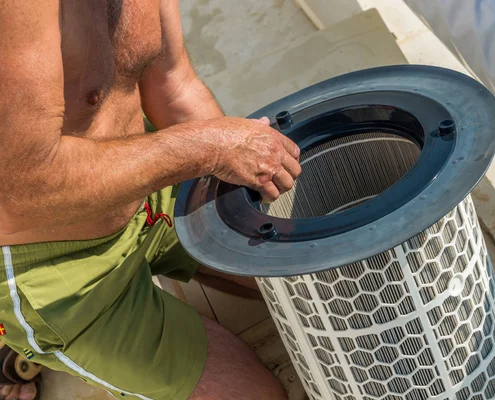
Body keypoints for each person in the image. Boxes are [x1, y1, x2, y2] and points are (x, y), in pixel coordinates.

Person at [0, 1, 302, 399]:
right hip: (48, 260)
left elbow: (174, 85)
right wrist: (211, 149)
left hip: (147, 186)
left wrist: (250, 196)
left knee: (310, 276)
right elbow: (27, 188)